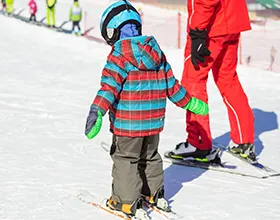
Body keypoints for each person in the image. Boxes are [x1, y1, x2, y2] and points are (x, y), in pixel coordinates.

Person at [84, 0, 208, 218]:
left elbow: (108, 88)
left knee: (125, 159)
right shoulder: (157, 53)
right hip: (153, 124)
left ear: (112, 31)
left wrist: (97, 111)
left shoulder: (119, 55)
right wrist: (191, 103)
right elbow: (172, 86)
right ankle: (154, 195)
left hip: (127, 125)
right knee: (150, 156)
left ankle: (124, 202)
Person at [170, 0, 256, 161]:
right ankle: (244, 140)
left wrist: (197, 32)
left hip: (211, 28)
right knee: (228, 79)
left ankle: (198, 143)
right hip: (231, 22)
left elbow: (203, 1)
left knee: (193, 81)